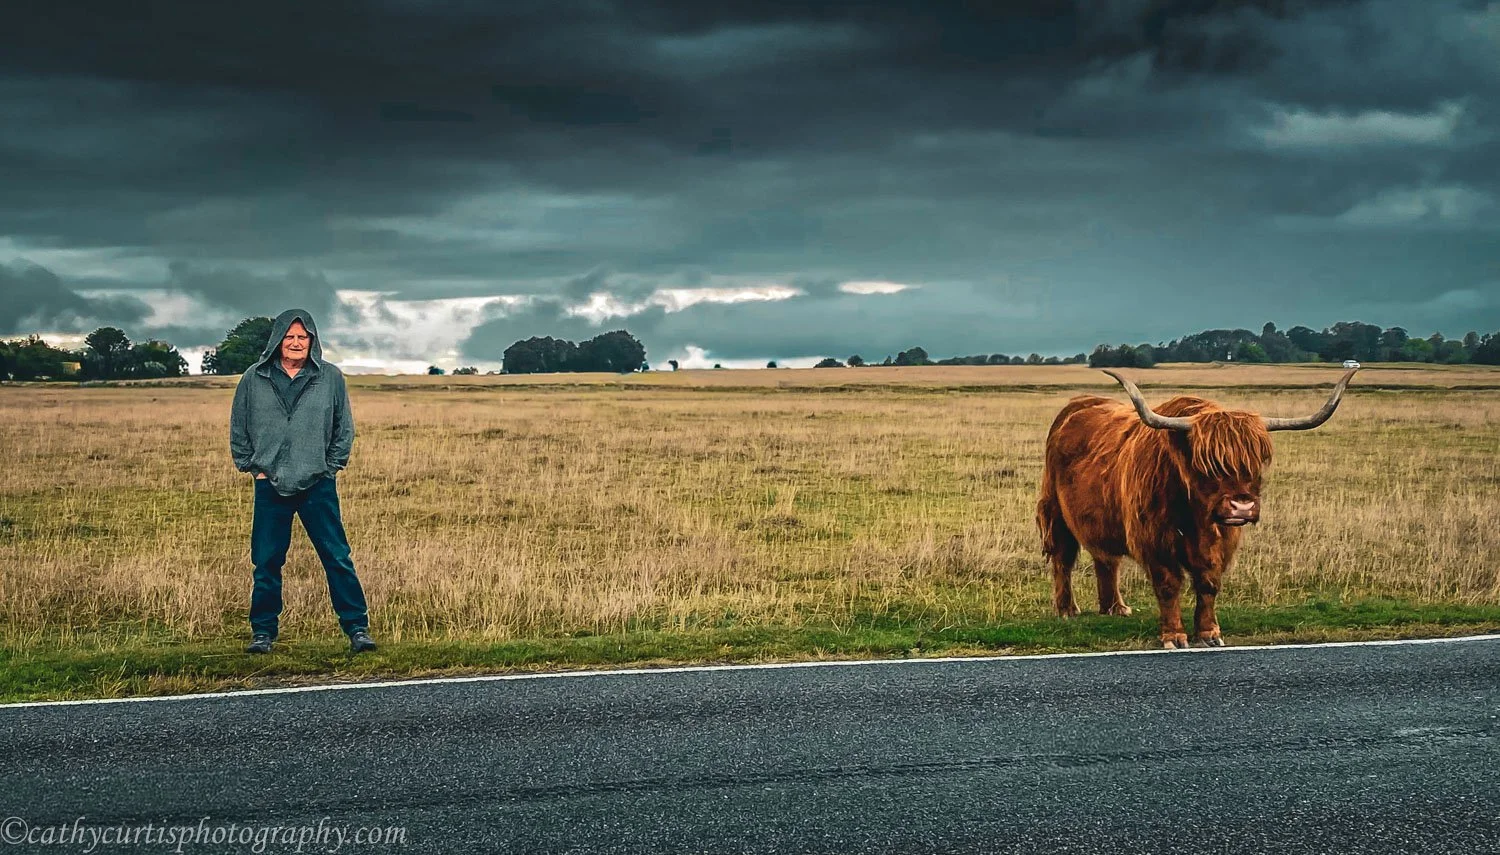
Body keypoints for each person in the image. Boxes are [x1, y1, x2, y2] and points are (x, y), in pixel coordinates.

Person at [229, 309, 376, 654]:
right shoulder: (254, 378)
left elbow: (344, 427)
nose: (296, 343)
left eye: (303, 337)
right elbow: (238, 426)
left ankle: (357, 629)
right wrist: (253, 467)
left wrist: (331, 466)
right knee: (266, 562)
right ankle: (263, 633)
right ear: (278, 340)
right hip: (270, 484)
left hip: (317, 484)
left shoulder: (330, 377)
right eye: (290, 337)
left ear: (313, 341)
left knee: (337, 557)